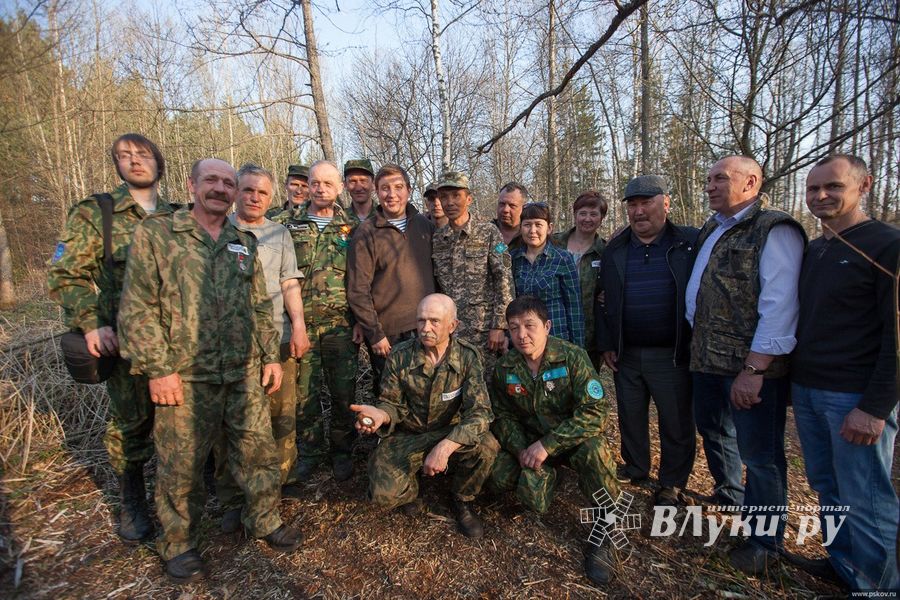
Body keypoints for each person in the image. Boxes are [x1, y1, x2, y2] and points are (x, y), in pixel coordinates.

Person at [118, 158, 302, 583]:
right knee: (181, 465)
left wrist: (268, 357)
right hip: (184, 376)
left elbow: (258, 304)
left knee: (258, 452)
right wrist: (158, 369)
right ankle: (178, 543)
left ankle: (264, 519)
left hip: (242, 373)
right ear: (192, 184)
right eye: (211, 181)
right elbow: (137, 306)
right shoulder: (160, 233)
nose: (220, 189)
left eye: (227, 182)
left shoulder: (243, 240)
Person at [47, 133, 173, 543]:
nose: (135, 161)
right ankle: (132, 501)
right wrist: (90, 322)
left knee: (180, 420)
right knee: (132, 423)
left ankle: (180, 494)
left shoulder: (176, 217)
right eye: (125, 155)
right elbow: (66, 274)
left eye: (143, 154)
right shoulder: (96, 213)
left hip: (176, 341)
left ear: (159, 162)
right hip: (124, 340)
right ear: (116, 164)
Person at [685, 155, 806, 574]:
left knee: (762, 454)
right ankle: (731, 498)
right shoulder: (712, 229)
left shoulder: (774, 230)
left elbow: (780, 306)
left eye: (720, 178)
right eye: (708, 179)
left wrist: (753, 370)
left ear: (751, 181)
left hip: (749, 368)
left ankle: (765, 544)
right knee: (715, 431)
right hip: (706, 360)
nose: (710, 186)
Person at [790, 154, 898, 592]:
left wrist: (874, 407)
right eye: (813, 189)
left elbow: (897, 337)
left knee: (866, 496)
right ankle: (843, 563)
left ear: (864, 185)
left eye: (832, 187)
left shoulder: (886, 246)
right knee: (827, 486)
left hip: (853, 396)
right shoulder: (817, 248)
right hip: (809, 388)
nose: (820, 196)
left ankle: (879, 585)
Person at [488, 296, 620, 586]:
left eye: (529, 326)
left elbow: (596, 413)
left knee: (595, 451)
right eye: (513, 328)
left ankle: (605, 529)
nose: (522, 335)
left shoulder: (573, 357)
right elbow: (502, 416)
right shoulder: (505, 368)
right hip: (530, 444)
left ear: (547, 326)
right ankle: (548, 477)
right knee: (497, 477)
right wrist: (521, 449)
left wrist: (548, 445)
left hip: (568, 442)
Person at [350, 294, 498, 538]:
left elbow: (480, 412)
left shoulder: (468, 357)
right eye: (421, 321)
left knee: (487, 446)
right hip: (410, 434)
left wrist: (446, 447)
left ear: (453, 326)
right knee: (382, 496)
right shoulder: (400, 355)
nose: (425, 328)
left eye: (434, 321)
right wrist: (380, 414)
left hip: (448, 431)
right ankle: (412, 491)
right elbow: (391, 404)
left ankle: (461, 499)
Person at [215, 163, 312, 533]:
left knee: (281, 419)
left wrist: (299, 328)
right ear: (236, 192)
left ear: (271, 198)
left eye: (262, 193)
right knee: (231, 426)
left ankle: (277, 487)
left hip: (277, 337)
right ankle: (232, 497)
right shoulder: (219, 231)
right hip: (232, 347)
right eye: (248, 190)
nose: (255, 197)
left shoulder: (280, 233)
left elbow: (290, 283)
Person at [595, 175, 697, 505]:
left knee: (675, 419)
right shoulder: (616, 249)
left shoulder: (687, 244)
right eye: (632, 205)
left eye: (646, 203)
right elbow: (602, 299)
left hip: (671, 352)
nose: (639, 211)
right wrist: (608, 342)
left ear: (665, 203)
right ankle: (636, 466)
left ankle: (672, 482)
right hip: (627, 351)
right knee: (631, 413)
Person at [280, 160, 359, 482]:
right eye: (315, 183)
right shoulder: (286, 223)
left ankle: (343, 451)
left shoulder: (354, 226)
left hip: (341, 326)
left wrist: (360, 321)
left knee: (344, 393)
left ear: (339, 187)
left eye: (328, 183)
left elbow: (362, 277)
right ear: (307, 185)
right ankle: (310, 451)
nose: (321, 189)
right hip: (302, 326)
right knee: (305, 394)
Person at [347, 164, 436, 399]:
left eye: (398, 187)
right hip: (389, 335)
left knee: (427, 392)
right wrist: (375, 334)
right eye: (385, 188)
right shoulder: (366, 233)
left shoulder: (425, 226)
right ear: (377, 192)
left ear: (408, 190)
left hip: (426, 327)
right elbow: (357, 290)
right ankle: (388, 436)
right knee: (392, 395)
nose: (392, 194)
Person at [432, 171, 515, 377]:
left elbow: (504, 280)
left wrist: (500, 325)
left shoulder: (488, 232)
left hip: (483, 332)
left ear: (468, 198)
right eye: (444, 197)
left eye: (456, 196)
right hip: (449, 332)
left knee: (484, 390)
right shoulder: (438, 239)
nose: (449, 202)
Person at [510, 202, 583, 345]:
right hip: (523, 340)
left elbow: (574, 307)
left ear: (549, 228)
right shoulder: (513, 259)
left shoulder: (562, 258)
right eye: (527, 225)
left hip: (556, 338)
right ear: (521, 228)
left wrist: (578, 348)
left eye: (538, 224)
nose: (532, 230)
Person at [551, 190, 608, 366]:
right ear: (575, 215)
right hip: (553, 330)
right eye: (582, 213)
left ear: (601, 217)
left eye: (593, 214)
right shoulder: (553, 243)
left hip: (589, 336)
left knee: (585, 387)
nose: (587, 219)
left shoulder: (605, 251)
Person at [344, 159, 376, 228]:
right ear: (345, 185)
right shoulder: (338, 220)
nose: (358, 188)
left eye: (363, 180)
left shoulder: (386, 217)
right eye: (353, 181)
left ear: (373, 184)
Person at [493, 181, 526, 248]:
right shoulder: (485, 233)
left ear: (523, 208)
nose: (505, 210)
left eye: (512, 205)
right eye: (502, 204)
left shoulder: (530, 235)